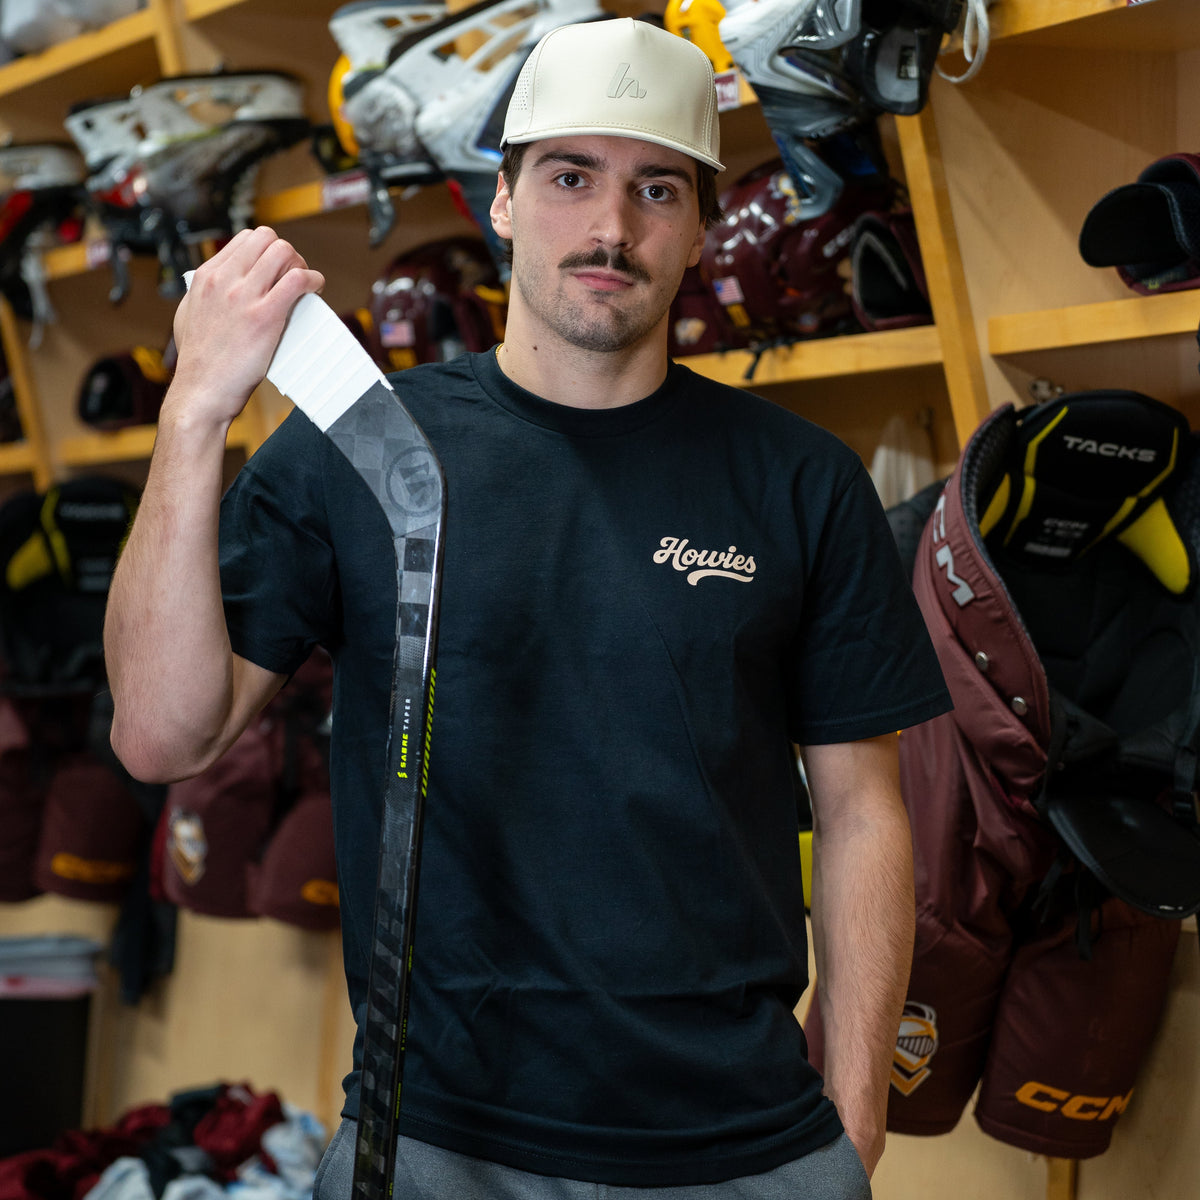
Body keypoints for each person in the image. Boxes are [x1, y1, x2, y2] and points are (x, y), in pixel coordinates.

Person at [104, 17, 951, 1200]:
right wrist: (195, 410)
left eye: (657, 188)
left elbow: (866, 812)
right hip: (437, 1142)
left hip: (746, 1145)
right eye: (569, 178)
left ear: (701, 225)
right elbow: (160, 732)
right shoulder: (359, 449)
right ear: (501, 200)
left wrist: (852, 1128)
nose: (611, 228)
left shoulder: (799, 481)